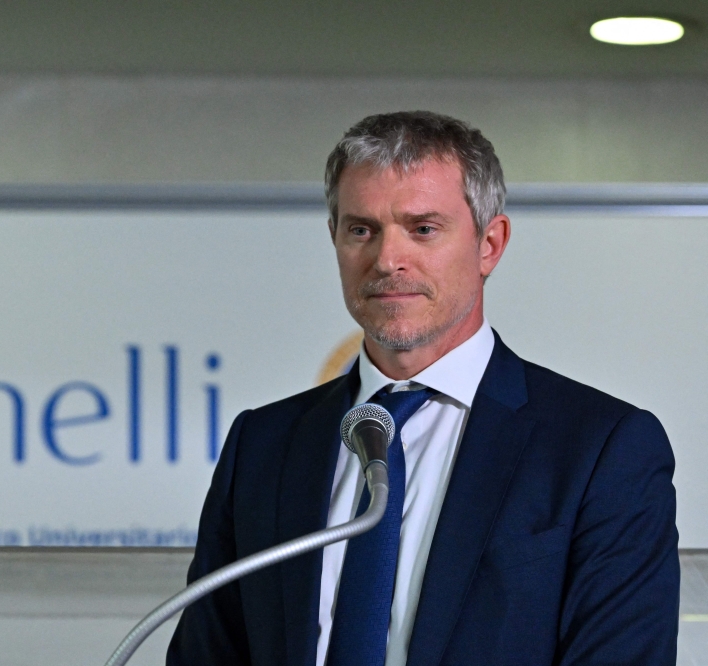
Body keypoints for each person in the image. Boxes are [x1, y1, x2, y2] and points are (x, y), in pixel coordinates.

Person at [166, 111, 679, 666]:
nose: (387, 260)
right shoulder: (263, 444)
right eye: (361, 230)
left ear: (490, 244)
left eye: (423, 229)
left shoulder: (602, 448)